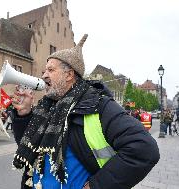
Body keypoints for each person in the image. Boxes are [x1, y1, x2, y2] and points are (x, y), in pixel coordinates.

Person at [10, 34, 159, 189]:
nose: (44, 75)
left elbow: (144, 150)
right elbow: (29, 146)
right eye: (44, 70)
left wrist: (95, 186)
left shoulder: (99, 105)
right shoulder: (46, 107)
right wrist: (24, 114)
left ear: (69, 75)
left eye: (50, 69)